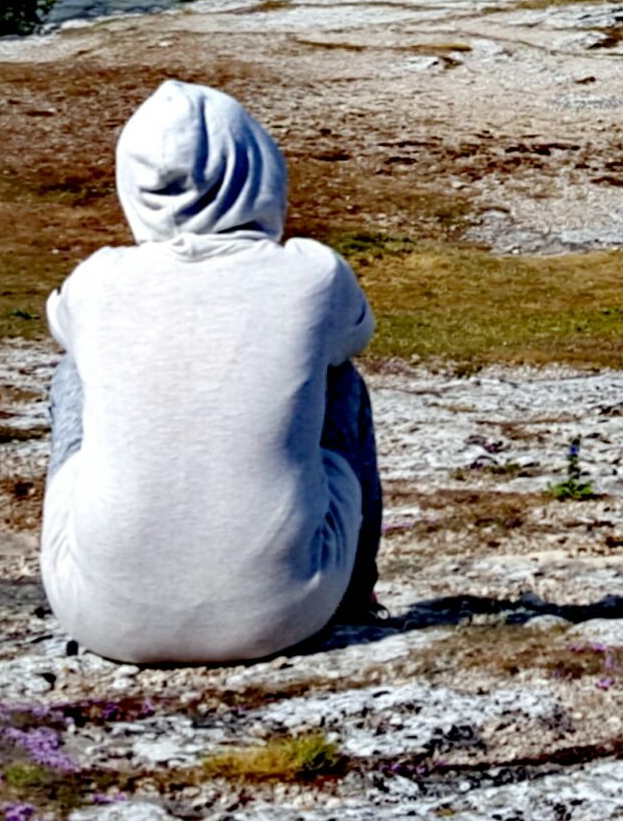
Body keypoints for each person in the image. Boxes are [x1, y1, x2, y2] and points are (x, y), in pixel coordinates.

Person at [42, 80, 380, 665]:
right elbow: (357, 334)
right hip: (286, 612)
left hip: (100, 620)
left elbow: (65, 330)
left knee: (76, 374)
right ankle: (354, 595)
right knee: (337, 380)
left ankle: (113, 573)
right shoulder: (313, 273)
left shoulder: (95, 280)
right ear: (259, 168)